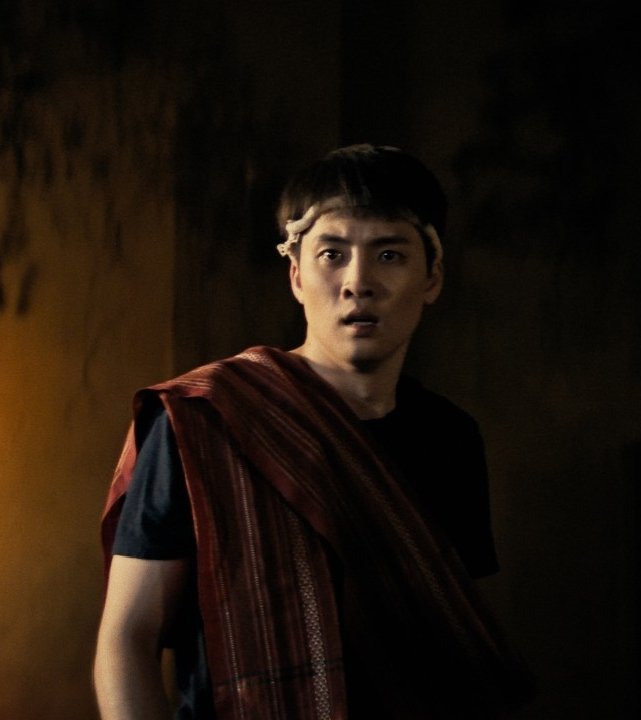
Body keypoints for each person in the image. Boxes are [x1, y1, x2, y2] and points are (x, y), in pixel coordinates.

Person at [93, 144, 534, 719]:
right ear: (297, 275)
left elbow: (449, 646)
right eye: (332, 254)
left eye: (390, 255)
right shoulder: (206, 418)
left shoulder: (450, 437)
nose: (358, 282)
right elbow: (127, 641)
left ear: (432, 277)